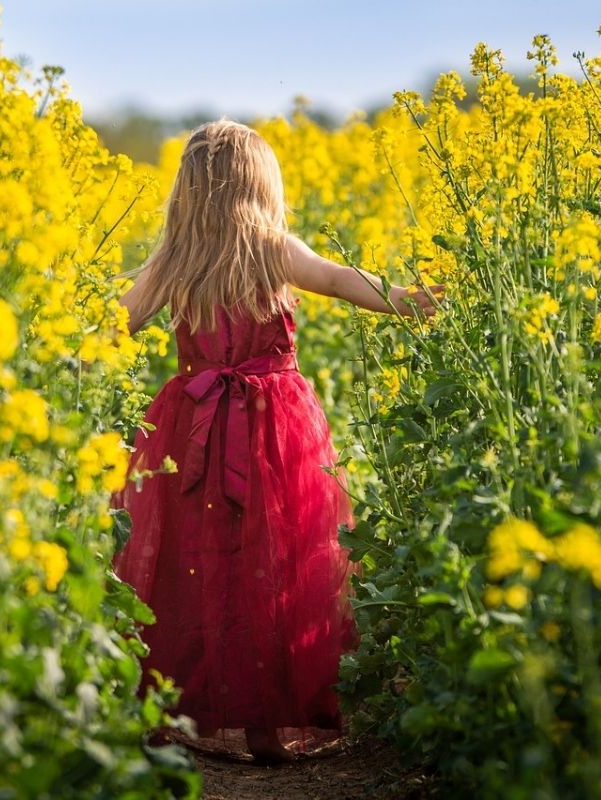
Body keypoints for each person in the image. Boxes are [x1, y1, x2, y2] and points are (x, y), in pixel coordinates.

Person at [109, 118, 444, 765]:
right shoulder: (271, 246)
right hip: (274, 425)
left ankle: (197, 713)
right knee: (277, 565)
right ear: (262, 186)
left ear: (187, 191)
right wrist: (410, 300)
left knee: (198, 564)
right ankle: (268, 724)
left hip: (194, 425)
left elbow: (117, 321)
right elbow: (343, 278)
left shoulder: (175, 256)